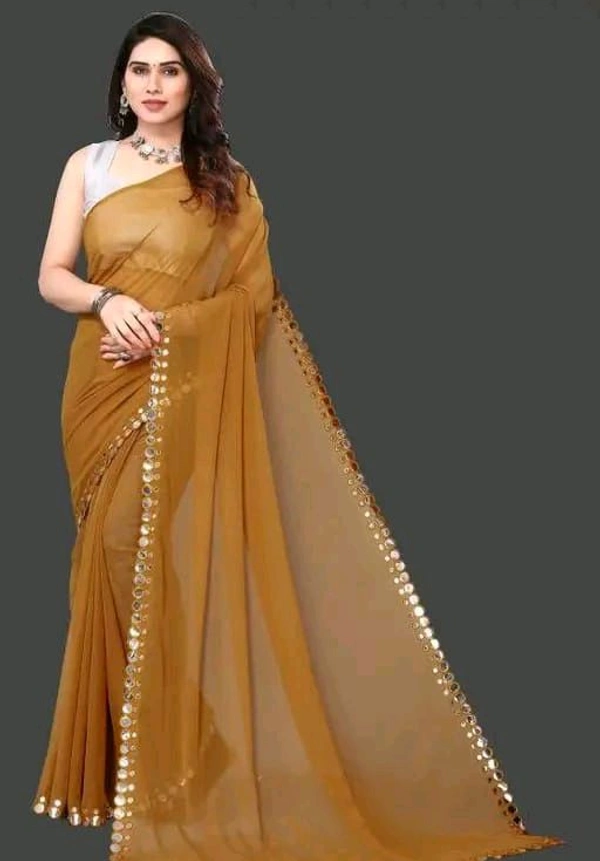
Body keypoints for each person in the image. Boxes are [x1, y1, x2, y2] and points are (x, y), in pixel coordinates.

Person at [31, 12, 564, 861]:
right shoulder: (87, 165)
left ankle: (181, 755)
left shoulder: (227, 182)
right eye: (140, 69)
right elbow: (51, 275)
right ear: (122, 83)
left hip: (183, 388)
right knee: (103, 559)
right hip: (97, 389)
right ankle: (152, 762)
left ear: (195, 84)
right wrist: (109, 299)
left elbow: (252, 300)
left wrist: (171, 330)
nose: (155, 85)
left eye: (171, 70)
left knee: (137, 552)